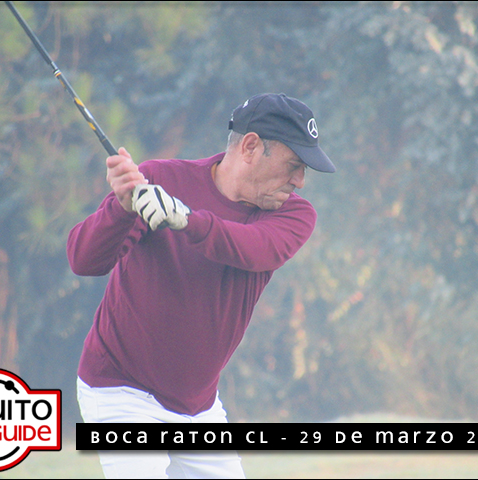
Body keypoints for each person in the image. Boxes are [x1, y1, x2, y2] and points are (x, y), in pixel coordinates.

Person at [67, 93, 336, 479]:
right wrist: (121, 207)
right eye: (294, 165)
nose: (300, 181)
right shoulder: (160, 180)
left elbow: (254, 248)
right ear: (250, 147)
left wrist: (187, 220)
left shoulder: (295, 213)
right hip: (120, 388)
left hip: (197, 406)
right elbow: (84, 261)